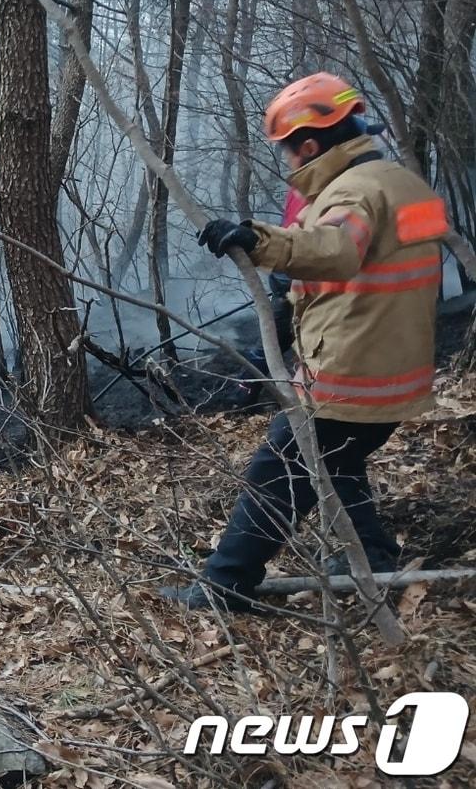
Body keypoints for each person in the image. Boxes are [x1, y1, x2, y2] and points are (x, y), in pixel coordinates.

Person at [166, 73, 448, 612]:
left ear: (311, 146)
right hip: (399, 366)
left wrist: (260, 240)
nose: (290, 165)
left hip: (352, 372)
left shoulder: (353, 191)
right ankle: (375, 558)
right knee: (336, 465)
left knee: (277, 471)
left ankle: (222, 590)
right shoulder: (405, 183)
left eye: (289, 153)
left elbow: (338, 248)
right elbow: (380, 265)